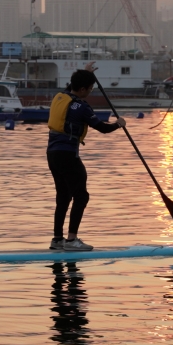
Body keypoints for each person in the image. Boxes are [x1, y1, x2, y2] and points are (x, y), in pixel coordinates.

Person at [46, 65, 125, 251]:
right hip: (68, 155)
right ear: (82, 89)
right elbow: (102, 128)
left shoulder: (60, 96)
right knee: (81, 196)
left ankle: (57, 240)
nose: (90, 92)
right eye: (90, 89)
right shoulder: (82, 107)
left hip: (52, 154)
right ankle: (72, 240)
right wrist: (118, 124)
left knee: (63, 196)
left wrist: (86, 73)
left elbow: (72, 86)